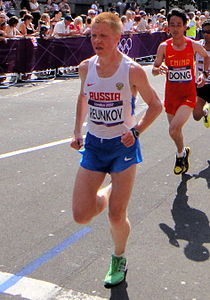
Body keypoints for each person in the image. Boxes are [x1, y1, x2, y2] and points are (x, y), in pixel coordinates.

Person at [70, 12, 162, 288]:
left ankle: (118, 257)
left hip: (123, 146)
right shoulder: (86, 67)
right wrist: (77, 130)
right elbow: (83, 96)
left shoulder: (131, 70)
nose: (96, 40)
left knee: (115, 215)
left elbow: (156, 105)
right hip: (95, 145)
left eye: (103, 36)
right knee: (81, 215)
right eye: (93, 35)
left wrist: (135, 132)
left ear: (117, 38)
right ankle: (109, 190)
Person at [152, 8, 210, 175]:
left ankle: (179, 156)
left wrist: (203, 75)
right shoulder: (164, 47)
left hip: (188, 94)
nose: (175, 28)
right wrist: (159, 68)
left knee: (173, 129)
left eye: (178, 25)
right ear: (168, 27)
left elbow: (206, 57)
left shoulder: (192, 44)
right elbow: (155, 68)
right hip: (171, 95)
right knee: (175, 131)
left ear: (185, 26)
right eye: (172, 25)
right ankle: (182, 152)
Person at [193, 19, 210, 127]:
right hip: (201, 85)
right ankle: (206, 112)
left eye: (209, 32)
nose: (206, 34)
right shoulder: (198, 45)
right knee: (196, 116)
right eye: (204, 32)